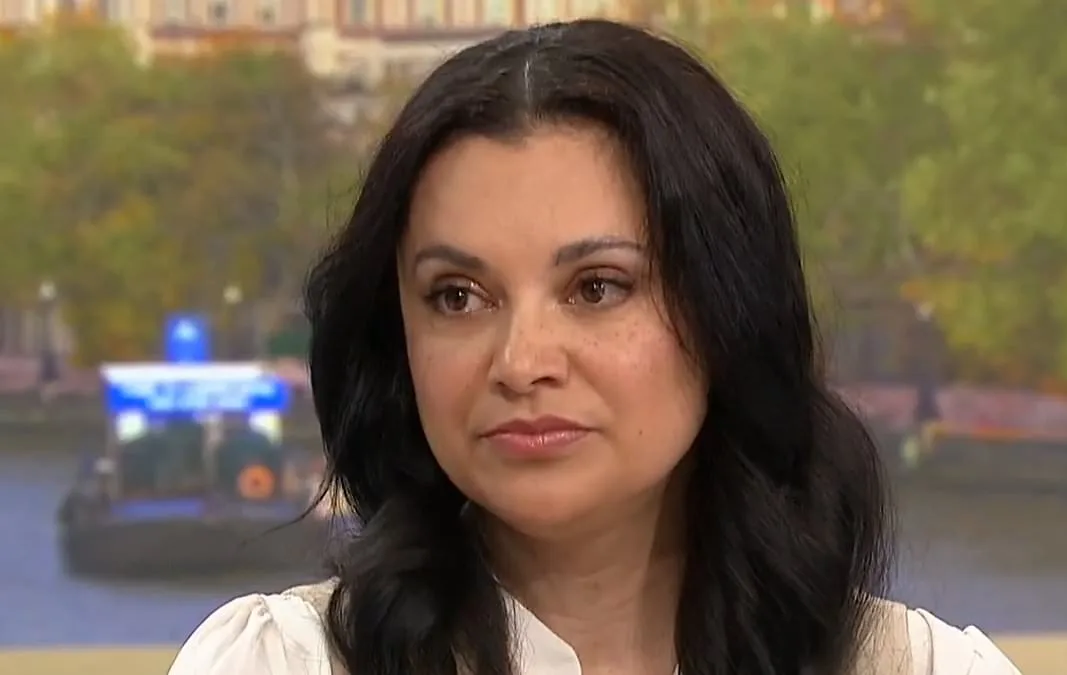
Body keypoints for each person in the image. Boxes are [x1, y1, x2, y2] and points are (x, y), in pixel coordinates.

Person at [168, 19, 1022, 675]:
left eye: (597, 288)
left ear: (727, 306)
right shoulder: (283, 662)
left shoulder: (920, 667)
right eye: (457, 296)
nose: (521, 361)